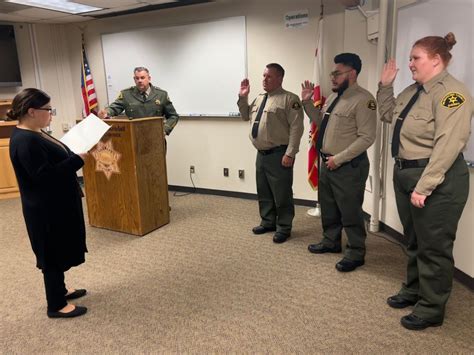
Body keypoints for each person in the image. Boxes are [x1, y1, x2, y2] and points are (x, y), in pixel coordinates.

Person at [377, 33, 471, 330]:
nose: (410, 63)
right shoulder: (413, 90)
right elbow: (386, 114)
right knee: (415, 239)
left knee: (434, 246)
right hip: (407, 173)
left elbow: (448, 144)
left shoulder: (452, 93)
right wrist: (386, 85)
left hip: (436, 179)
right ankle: (415, 290)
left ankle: (431, 308)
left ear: (436, 60)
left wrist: (424, 186)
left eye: (415, 58)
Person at [8, 88, 89, 318]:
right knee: (52, 254)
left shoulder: (36, 132)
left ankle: (61, 290)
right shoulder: (25, 140)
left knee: (60, 247)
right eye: (48, 109)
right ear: (32, 111)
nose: (51, 113)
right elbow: (44, 177)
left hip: (55, 205)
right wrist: (76, 161)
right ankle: (56, 305)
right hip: (45, 209)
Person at [301, 53, 377, 272]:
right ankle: (331, 241)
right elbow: (319, 123)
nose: (332, 77)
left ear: (352, 73)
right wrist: (307, 102)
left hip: (348, 165)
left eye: (337, 73)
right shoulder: (335, 97)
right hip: (328, 162)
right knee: (329, 206)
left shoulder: (364, 100)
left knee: (350, 209)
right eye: (332, 73)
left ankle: (355, 252)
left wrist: (339, 159)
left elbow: (367, 137)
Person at [237, 63, 304, 243]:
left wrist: (290, 153)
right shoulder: (259, 98)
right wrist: (243, 98)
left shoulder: (290, 99)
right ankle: (268, 221)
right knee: (264, 190)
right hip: (262, 153)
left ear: (280, 78)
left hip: (279, 153)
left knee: (281, 193)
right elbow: (245, 116)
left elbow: (297, 129)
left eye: (269, 76)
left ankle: (284, 227)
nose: (264, 79)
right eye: (264, 76)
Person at [98, 67, 179, 136]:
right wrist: (106, 112)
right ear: (134, 79)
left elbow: (173, 116)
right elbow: (114, 108)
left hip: (156, 137)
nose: (140, 80)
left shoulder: (161, 95)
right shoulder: (126, 94)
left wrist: (165, 129)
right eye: (137, 78)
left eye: (142, 77)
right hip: (134, 137)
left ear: (149, 78)